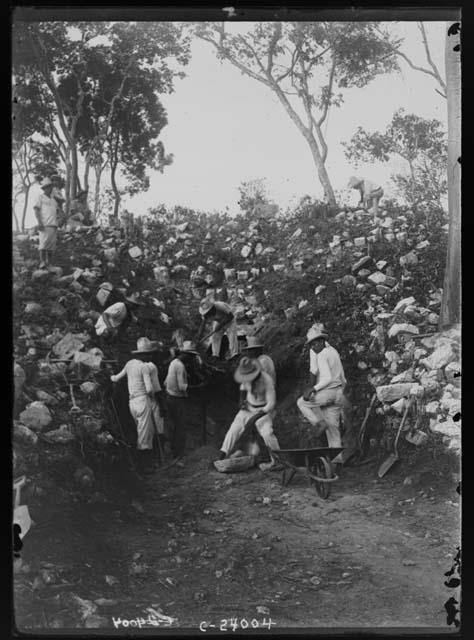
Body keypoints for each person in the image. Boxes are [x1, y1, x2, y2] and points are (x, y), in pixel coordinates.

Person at [110, 337, 165, 474]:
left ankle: (142, 463)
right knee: (145, 435)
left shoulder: (129, 364)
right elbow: (149, 389)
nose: (151, 356)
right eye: (149, 354)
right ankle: (144, 466)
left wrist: (108, 375)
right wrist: (153, 400)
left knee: (140, 431)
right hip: (143, 401)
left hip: (132, 402)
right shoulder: (144, 367)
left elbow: (116, 378)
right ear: (144, 354)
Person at [213, 356, 280, 468]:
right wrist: (242, 400)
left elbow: (271, 404)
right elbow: (243, 388)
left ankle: (278, 461)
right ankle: (222, 455)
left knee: (267, 433)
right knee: (234, 429)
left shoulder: (267, 380)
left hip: (263, 410)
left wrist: (254, 418)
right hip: (248, 408)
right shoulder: (246, 376)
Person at [296, 324, 347, 453]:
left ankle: (318, 423)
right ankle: (337, 462)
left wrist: (313, 388)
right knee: (333, 431)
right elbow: (343, 378)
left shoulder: (322, 354)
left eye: (314, 344)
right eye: (311, 345)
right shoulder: (333, 351)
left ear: (322, 341)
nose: (313, 348)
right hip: (338, 393)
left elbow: (327, 378)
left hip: (329, 392)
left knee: (301, 403)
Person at [164, 341, 201, 461]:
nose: (191, 359)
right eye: (191, 357)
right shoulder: (180, 366)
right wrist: (198, 387)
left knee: (174, 426)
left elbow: (165, 382)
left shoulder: (173, 363)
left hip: (170, 396)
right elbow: (182, 386)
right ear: (186, 355)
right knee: (180, 427)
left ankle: (175, 452)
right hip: (177, 399)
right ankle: (178, 454)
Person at [33, 177, 59, 269]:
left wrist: (59, 220)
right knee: (43, 244)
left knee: (51, 247)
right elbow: (36, 210)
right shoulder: (40, 197)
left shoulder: (53, 200)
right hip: (45, 224)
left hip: (53, 225)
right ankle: (42, 262)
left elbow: (57, 212)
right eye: (48, 187)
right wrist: (39, 222)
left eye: (51, 187)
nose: (50, 188)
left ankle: (49, 263)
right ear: (44, 188)